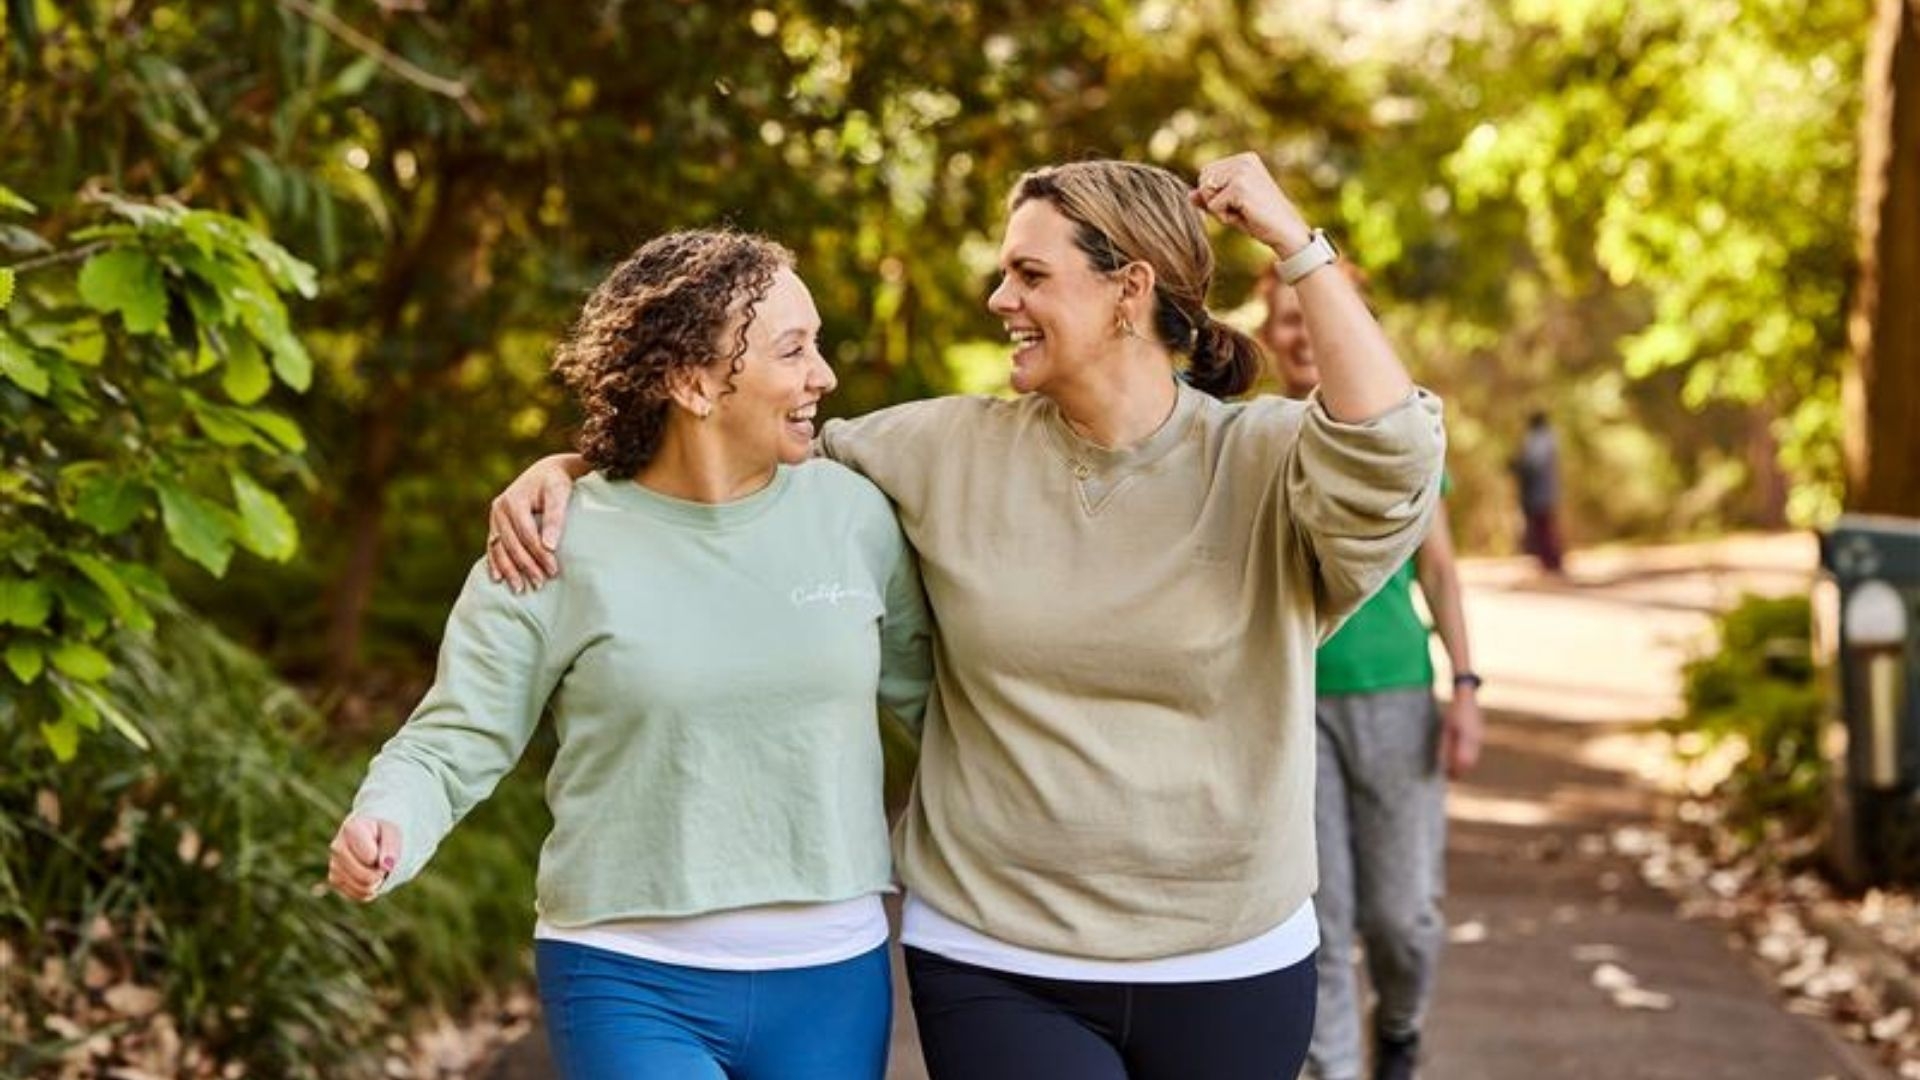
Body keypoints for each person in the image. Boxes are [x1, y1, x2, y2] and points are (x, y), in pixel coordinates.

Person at [487, 153, 1447, 1079]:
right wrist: (576, 471)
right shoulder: (940, 450)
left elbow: (1393, 450)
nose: (1001, 300)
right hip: (999, 954)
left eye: (1030, 273)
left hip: (1229, 955)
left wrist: (1291, 239)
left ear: (1129, 290)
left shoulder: (1263, 461)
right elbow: (728, 451)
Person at [326, 229, 934, 1080]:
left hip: (833, 971)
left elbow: (942, 708)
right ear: (691, 382)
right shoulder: (554, 539)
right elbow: (456, 735)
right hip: (626, 971)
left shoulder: (856, 517)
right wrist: (386, 821)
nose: (823, 375)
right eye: (793, 350)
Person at [1261, 270, 1483, 1080]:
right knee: (1319, 919)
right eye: (1285, 318)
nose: (1301, 333)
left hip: (1394, 693)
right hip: (1288, 705)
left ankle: (1399, 1028)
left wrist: (1466, 685)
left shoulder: (1400, 430)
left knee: (1402, 919)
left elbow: (1442, 572)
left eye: (1314, 314)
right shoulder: (1255, 433)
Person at [1509, 411, 1564, 573]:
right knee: (1542, 526)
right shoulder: (1548, 438)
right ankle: (1549, 561)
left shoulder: (1539, 439)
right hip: (1542, 490)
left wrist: (1517, 465)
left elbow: (1533, 465)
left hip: (1538, 491)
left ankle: (1551, 561)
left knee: (1543, 526)